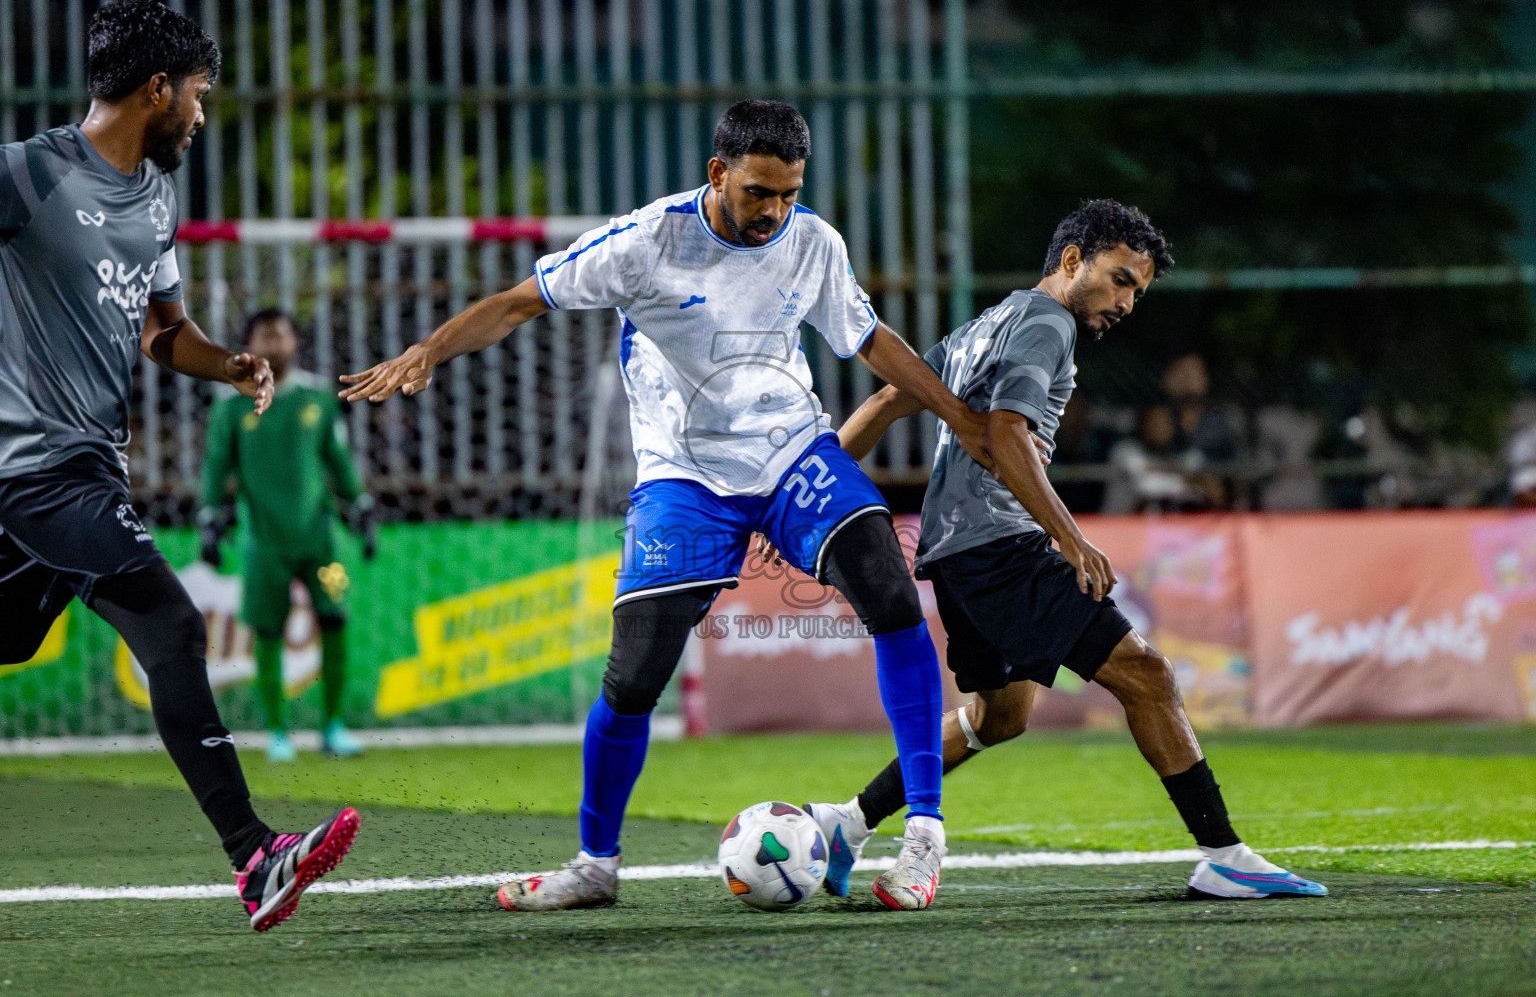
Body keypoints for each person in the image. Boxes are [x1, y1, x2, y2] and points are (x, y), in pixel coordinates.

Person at [342, 99, 990, 911]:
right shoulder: (645, 242)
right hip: (683, 477)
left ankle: (923, 836)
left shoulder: (814, 243)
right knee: (636, 676)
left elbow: (869, 340)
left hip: (794, 454)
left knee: (894, 599)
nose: (775, 212)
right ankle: (594, 865)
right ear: (717, 174)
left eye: (789, 193)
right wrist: (428, 349)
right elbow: (517, 302)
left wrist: (960, 417)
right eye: (759, 193)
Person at [799, 200, 1328, 901]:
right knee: (1147, 676)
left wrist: (812, 497)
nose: (1127, 302)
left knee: (1002, 718)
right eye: (1120, 280)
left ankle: (849, 821)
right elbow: (1009, 432)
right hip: (1002, 546)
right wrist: (1070, 537)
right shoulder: (1047, 323)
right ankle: (1224, 854)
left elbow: (885, 404)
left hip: (956, 556)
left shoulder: (988, 322)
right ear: (1072, 260)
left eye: (1137, 290)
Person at [0, 0, 357, 931]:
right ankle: (256, 856)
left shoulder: (155, 198)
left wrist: (229, 365)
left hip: (84, 475)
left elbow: (163, 332)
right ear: (157, 89)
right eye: (197, 94)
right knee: (171, 619)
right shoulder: (30, 175)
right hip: (35, 471)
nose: (201, 114)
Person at [200, 309, 376, 763]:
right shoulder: (231, 405)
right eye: (264, 335)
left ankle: (333, 726)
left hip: (323, 543)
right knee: (268, 630)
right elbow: (216, 468)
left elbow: (338, 459)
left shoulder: (318, 397)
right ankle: (277, 732)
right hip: (263, 544)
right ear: (249, 346)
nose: (274, 343)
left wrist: (360, 508)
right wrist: (210, 519)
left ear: (296, 343)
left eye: (281, 334)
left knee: (336, 616)